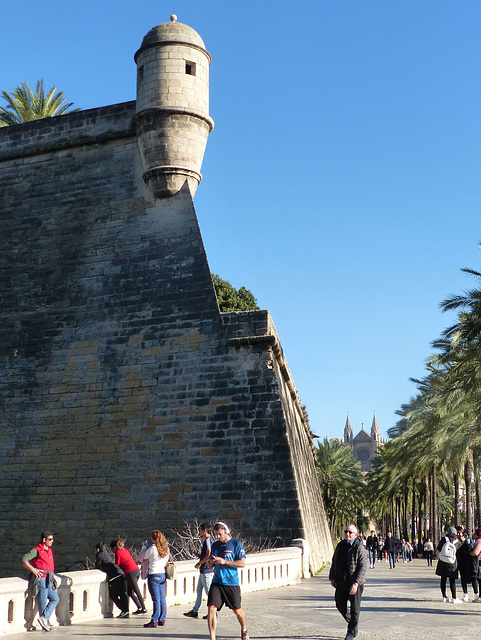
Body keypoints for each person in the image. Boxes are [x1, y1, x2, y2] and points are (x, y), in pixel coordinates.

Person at [207, 521, 249, 640]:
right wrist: (211, 562)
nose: (217, 537)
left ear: (226, 532)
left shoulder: (236, 544)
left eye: (220, 534)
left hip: (231, 582)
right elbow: (210, 566)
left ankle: (244, 629)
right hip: (217, 582)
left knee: (237, 610)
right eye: (216, 534)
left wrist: (224, 561)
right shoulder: (215, 545)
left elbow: (242, 563)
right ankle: (212, 637)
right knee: (211, 608)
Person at [329, 524, 367, 640]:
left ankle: (350, 632)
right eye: (346, 532)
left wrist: (355, 583)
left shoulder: (359, 547)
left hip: (354, 583)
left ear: (355, 535)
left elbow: (363, 567)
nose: (348, 534)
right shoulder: (340, 546)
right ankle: (353, 624)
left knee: (355, 609)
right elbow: (334, 561)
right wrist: (332, 577)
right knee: (340, 604)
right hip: (341, 582)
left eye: (351, 532)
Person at [21, 531, 60, 632]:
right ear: (44, 540)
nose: (52, 541)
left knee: (55, 598)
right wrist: (33, 569)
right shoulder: (37, 550)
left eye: (52, 539)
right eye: (50, 539)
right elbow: (24, 559)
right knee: (42, 602)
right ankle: (45, 623)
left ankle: (44, 619)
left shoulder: (49, 550)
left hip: (49, 578)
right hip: (41, 579)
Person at [184, 523, 214, 619]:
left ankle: (213, 612)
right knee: (199, 591)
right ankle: (195, 610)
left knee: (208, 591)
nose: (199, 533)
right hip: (204, 570)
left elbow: (209, 554)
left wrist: (200, 563)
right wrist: (199, 555)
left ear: (204, 530)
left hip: (206, 570)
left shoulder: (208, 540)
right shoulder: (208, 540)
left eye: (200, 530)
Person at [111, 539, 147, 614]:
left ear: (115, 547)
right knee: (130, 592)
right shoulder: (125, 550)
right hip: (136, 570)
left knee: (136, 590)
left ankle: (144, 608)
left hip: (130, 572)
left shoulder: (118, 552)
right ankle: (140, 607)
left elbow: (117, 564)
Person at [142, 530, 170, 628]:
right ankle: (162, 618)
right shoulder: (166, 548)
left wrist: (144, 546)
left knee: (156, 599)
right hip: (162, 574)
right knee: (162, 598)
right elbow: (167, 560)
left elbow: (142, 557)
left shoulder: (152, 549)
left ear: (153, 539)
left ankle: (154, 620)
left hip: (153, 574)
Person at [95, 543, 130, 617]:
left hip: (114, 577)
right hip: (120, 573)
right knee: (123, 594)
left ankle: (124, 610)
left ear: (98, 549)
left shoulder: (99, 555)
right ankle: (126, 611)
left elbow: (97, 565)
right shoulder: (107, 554)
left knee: (113, 595)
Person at [436, 526, 461, 603]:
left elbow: (438, 548)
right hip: (452, 563)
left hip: (443, 561)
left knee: (443, 579)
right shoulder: (457, 541)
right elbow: (459, 551)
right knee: (452, 580)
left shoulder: (444, 539)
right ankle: (454, 598)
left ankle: (444, 596)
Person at [456, 529, 478, 602]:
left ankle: (476, 593)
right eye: (457, 533)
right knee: (463, 578)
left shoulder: (467, 539)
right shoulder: (456, 540)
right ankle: (465, 594)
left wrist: (463, 542)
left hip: (468, 561)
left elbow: (469, 547)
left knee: (473, 577)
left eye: (459, 532)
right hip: (461, 562)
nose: (458, 534)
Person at [469, 528, 481, 602]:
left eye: (474, 533)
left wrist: (469, 553)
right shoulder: (477, 541)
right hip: (478, 562)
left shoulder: (479, 542)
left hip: (479, 562)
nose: (473, 535)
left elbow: (476, 552)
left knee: (479, 579)